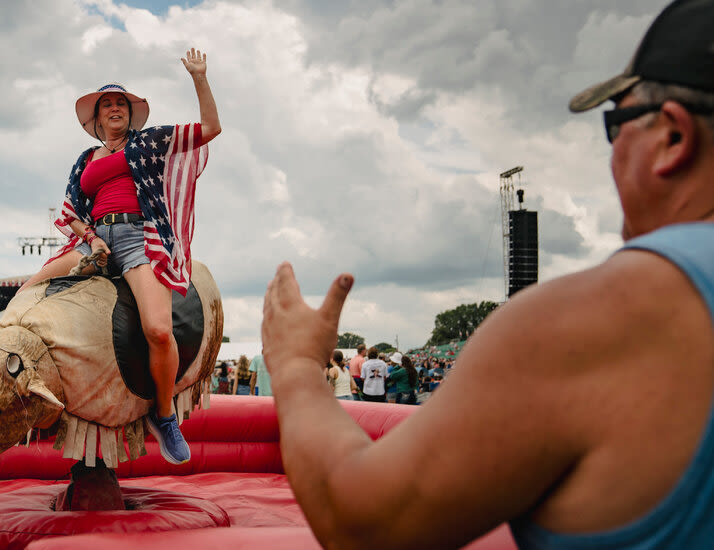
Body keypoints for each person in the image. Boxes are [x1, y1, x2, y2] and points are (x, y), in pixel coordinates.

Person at [260, 1, 714, 547]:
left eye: (615, 125)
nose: (612, 153)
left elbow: (362, 524)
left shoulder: (592, 320)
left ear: (672, 138)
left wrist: (296, 367)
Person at [17, 49, 221, 466]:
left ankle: (164, 416)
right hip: (93, 241)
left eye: (121, 104)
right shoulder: (85, 160)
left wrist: (199, 77)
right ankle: (18, 390)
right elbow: (70, 214)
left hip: (137, 238)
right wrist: (91, 239)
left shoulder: (148, 142)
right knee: (26, 292)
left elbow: (211, 128)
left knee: (159, 330)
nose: (114, 108)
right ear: (96, 120)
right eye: (107, 104)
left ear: (130, 115)